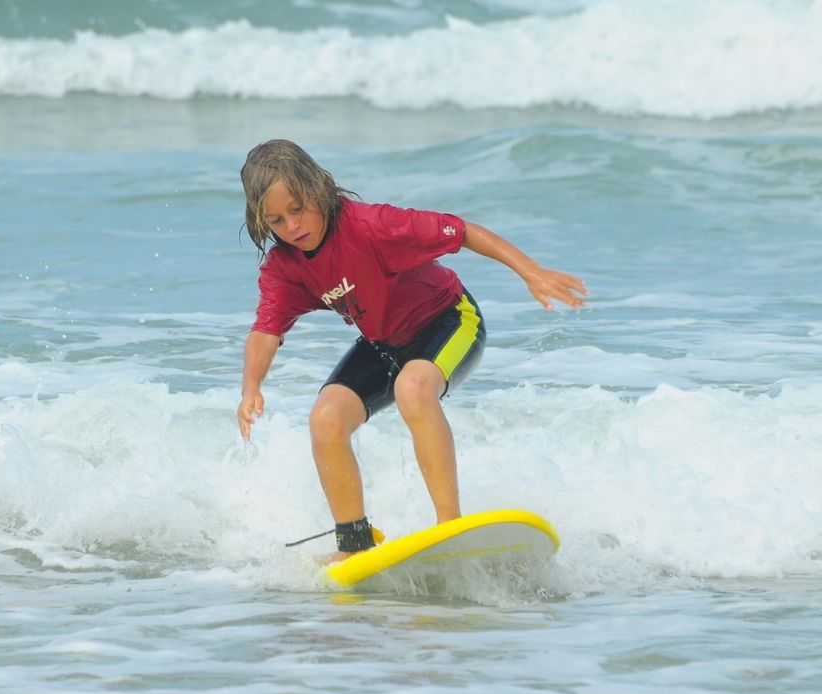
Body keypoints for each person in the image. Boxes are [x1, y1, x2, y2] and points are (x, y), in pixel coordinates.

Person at [237, 139, 587, 560]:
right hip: (384, 344)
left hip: (450, 321)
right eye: (277, 220)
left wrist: (531, 272)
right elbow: (265, 329)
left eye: (297, 209)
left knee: (414, 387)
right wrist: (251, 386)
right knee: (326, 418)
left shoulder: (373, 225)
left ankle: (450, 527)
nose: (292, 226)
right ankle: (354, 544)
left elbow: (463, 231)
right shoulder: (285, 266)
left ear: (318, 188)